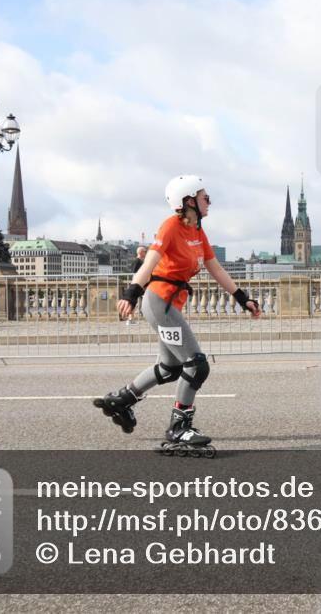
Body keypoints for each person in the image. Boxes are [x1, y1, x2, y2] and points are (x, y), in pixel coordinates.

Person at [95, 175, 261, 457]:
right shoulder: (171, 227)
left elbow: (216, 269)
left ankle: (122, 400)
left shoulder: (198, 232)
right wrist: (131, 292)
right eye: (205, 196)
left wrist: (243, 298)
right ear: (188, 201)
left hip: (171, 304)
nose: (209, 201)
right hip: (160, 302)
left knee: (170, 367)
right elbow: (150, 262)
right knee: (196, 365)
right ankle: (179, 428)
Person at [126, 246, 148, 325]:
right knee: (133, 302)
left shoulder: (139, 261)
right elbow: (135, 274)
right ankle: (130, 319)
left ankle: (131, 319)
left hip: (139, 284)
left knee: (134, 301)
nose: (146, 253)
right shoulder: (137, 261)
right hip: (138, 284)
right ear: (141, 252)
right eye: (145, 251)